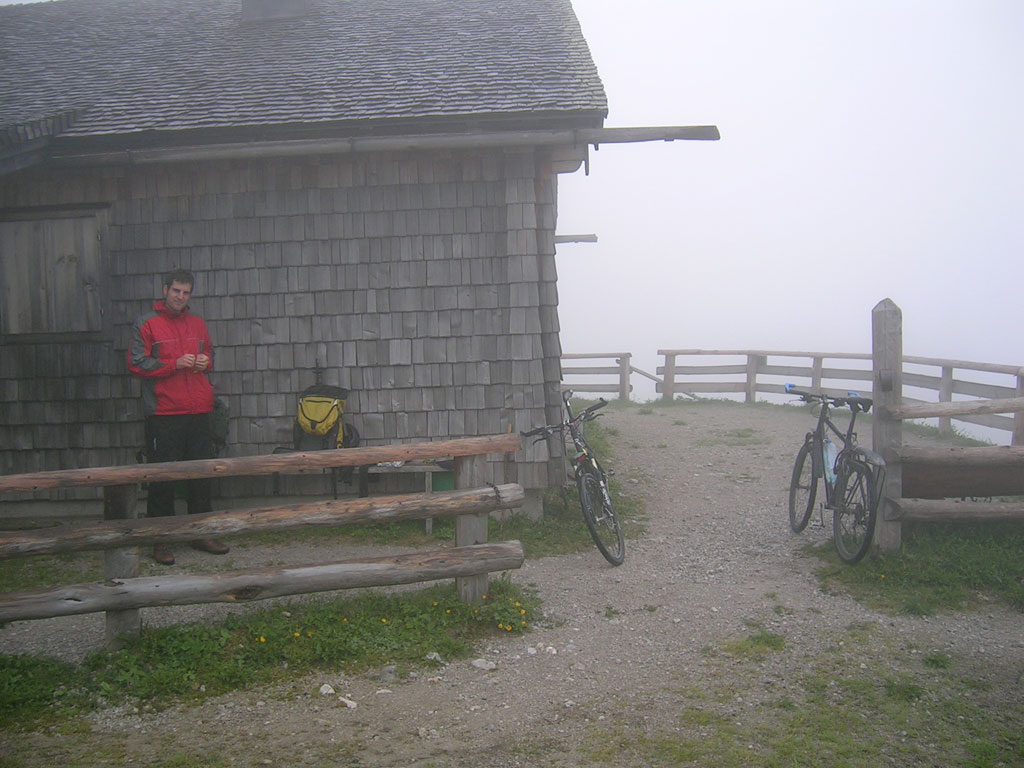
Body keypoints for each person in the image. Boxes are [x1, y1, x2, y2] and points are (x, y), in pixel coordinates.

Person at [128, 268, 229, 564]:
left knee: (200, 475)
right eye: (176, 291)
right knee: (163, 478)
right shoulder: (146, 324)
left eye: (186, 292)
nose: (180, 297)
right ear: (164, 290)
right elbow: (136, 365)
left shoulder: (197, 323)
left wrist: (205, 361)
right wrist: (174, 364)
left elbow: (210, 356)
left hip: (199, 410)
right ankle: (162, 539)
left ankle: (201, 533)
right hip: (164, 413)